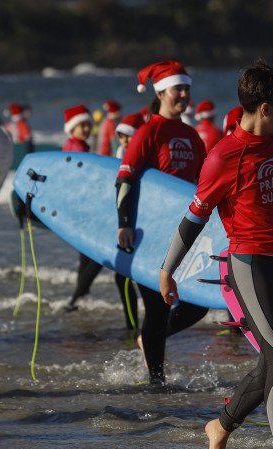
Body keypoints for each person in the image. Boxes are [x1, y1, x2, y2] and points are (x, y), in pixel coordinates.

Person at [159, 59, 273, 449]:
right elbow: (194, 218)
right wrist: (167, 270)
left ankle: (220, 427)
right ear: (265, 107)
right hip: (251, 265)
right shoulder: (223, 158)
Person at [116, 60, 209, 384]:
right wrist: (124, 223)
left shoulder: (191, 135)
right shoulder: (147, 132)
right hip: (150, 235)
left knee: (198, 304)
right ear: (160, 93)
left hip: (183, 236)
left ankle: (150, 342)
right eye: (177, 89)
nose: (184, 94)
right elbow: (124, 179)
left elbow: (202, 185)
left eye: (186, 88)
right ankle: (157, 379)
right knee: (156, 308)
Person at [62, 105, 138, 330]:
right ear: (71, 128)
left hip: (84, 213)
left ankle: (76, 299)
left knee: (87, 257)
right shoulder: (75, 149)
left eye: (87, 124)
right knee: (97, 256)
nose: (86, 128)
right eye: (81, 125)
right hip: (86, 213)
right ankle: (77, 297)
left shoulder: (79, 146)